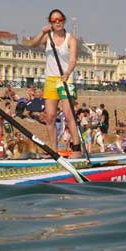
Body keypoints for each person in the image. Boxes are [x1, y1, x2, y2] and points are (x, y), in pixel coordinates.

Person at [21, 9, 82, 154]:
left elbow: (73, 59)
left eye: (59, 19)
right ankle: (54, 150)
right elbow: (32, 44)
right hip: (50, 80)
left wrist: (67, 73)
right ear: (50, 23)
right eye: (54, 21)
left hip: (66, 79)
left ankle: (77, 149)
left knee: (68, 115)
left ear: (64, 20)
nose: (57, 22)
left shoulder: (70, 39)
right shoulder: (47, 37)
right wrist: (42, 32)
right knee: (49, 117)